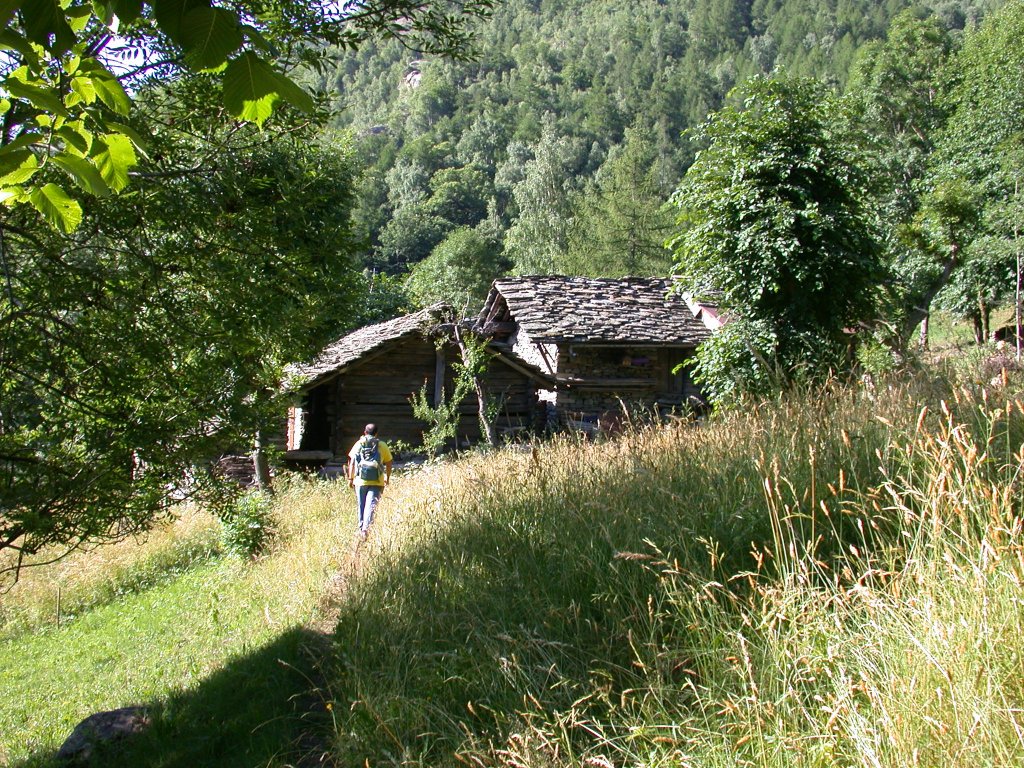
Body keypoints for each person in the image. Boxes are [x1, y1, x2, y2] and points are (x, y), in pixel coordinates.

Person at [347, 423, 393, 537]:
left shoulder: (359, 444)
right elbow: (389, 462)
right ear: (376, 433)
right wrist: (387, 477)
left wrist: (350, 478)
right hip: (377, 481)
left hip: (360, 481)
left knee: (361, 505)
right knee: (371, 505)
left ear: (365, 432)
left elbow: (352, 462)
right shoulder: (382, 445)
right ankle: (365, 530)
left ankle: (361, 528)